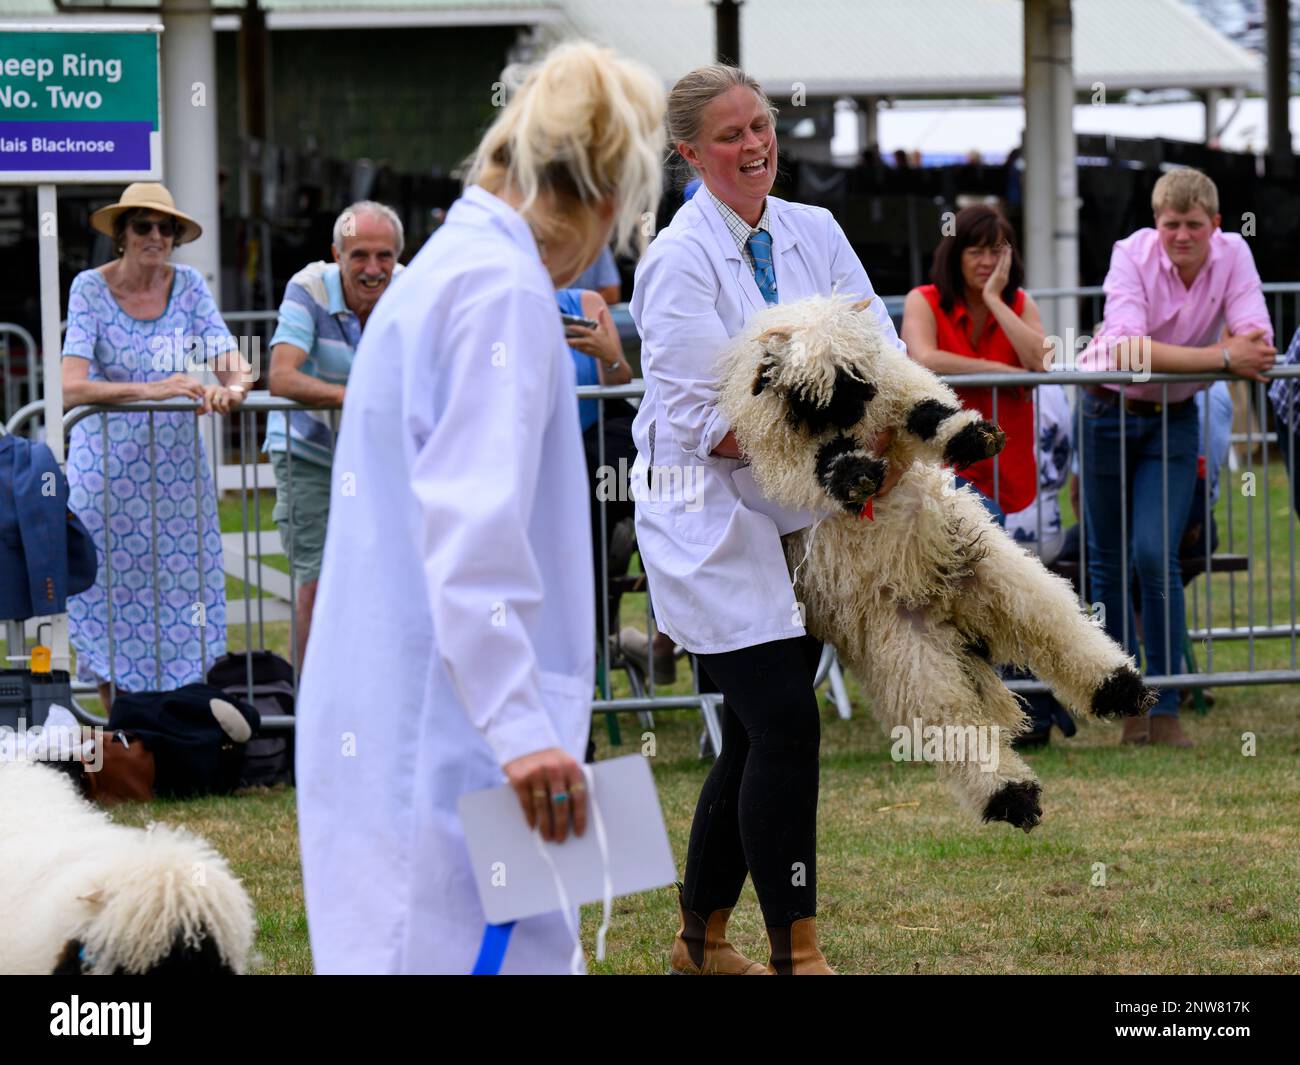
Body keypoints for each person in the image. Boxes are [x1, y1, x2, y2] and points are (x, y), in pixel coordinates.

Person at [295, 41, 665, 974]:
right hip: (461, 736)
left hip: (417, 716)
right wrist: (525, 732)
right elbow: (474, 533)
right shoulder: (502, 294)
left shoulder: (440, 274)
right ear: (602, 193)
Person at [632, 64, 904, 976]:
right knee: (787, 723)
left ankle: (698, 941)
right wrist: (821, 414)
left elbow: (883, 351)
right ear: (688, 154)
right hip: (706, 519)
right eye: (730, 136)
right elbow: (700, 422)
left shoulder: (814, 231)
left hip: (801, 511)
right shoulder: (676, 261)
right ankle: (800, 954)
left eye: (761, 125)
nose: (755, 146)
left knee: (755, 733)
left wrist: (869, 425)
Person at [1077, 167, 1275, 747]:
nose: (1181, 236)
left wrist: (1212, 357)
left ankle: (1166, 705)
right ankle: (1125, 705)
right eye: (1170, 224)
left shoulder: (1235, 254)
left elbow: (1257, 342)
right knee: (1107, 561)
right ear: (1156, 223)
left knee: (1152, 553)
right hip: (1107, 412)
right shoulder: (1129, 254)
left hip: (1176, 419)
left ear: (1216, 225)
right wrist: (1220, 357)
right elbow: (1124, 351)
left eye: (1193, 225)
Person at [61, 183, 252, 711]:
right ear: (121, 234)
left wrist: (229, 392)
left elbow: (235, 365)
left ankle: (174, 724)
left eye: (166, 228)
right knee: (108, 597)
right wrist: (153, 388)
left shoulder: (188, 285)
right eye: (143, 225)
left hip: (175, 482)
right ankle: (127, 730)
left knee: (179, 593)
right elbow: (70, 385)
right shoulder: (88, 289)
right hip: (105, 479)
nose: (156, 236)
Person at [264, 201, 404, 669]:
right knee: (317, 583)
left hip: (382, 456)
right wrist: (354, 396)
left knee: (393, 580)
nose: (372, 268)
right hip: (309, 450)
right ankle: (310, 718)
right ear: (335, 254)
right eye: (359, 255)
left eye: (384, 256)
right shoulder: (308, 288)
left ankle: (377, 702)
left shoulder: (411, 292)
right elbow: (281, 377)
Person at [558, 287, 678, 685]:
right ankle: (590, 650)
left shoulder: (585, 303)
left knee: (667, 490)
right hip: (553, 469)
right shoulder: (496, 301)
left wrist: (606, 353)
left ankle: (671, 637)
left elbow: (620, 378)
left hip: (599, 454)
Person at [901, 204, 1047, 523]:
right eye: (976, 252)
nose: (987, 262)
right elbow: (925, 357)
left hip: (1007, 460)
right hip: (945, 459)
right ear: (956, 255)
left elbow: (1041, 360)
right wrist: (1006, 372)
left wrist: (995, 299)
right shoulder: (923, 299)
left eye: (996, 252)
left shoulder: (1019, 303)